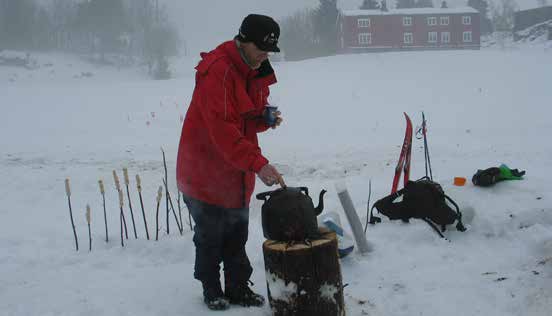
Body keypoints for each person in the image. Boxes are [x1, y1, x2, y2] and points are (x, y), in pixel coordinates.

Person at [176, 14, 285, 311]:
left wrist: (263, 117)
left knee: (237, 231)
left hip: (235, 170)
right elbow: (223, 130)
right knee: (211, 235)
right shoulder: (219, 71)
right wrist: (258, 163)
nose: (266, 55)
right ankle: (211, 289)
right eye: (261, 48)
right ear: (243, 40)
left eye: (270, 50)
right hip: (204, 172)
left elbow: (244, 116)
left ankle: (237, 287)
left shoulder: (254, 67)